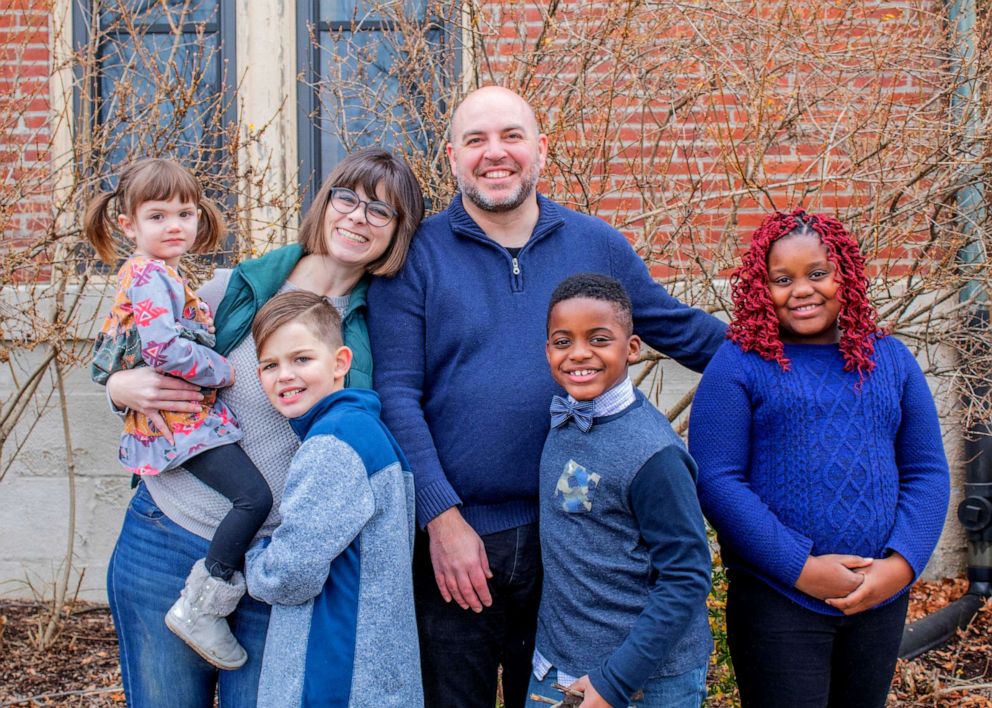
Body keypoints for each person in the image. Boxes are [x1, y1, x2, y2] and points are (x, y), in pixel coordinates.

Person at [367, 86, 727, 708]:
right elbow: (396, 394)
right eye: (476, 140)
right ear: (452, 157)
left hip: (575, 543)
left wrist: (803, 355)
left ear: (541, 149)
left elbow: (680, 330)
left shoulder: (596, 245)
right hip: (459, 546)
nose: (495, 153)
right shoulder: (414, 255)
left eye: (511, 136)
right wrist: (440, 518)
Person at [103, 148, 424, 706]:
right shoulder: (236, 288)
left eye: (381, 211)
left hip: (270, 565)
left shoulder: (382, 330)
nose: (357, 217)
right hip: (165, 536)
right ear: (325, 204)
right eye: (347, 198)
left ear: (398, 233)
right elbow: (138, 345)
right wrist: (117, 387)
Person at [688, 210, 950, 708]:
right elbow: (718, 481)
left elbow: (927, 473)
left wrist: (898, 568)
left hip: (878, 600)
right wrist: (801, 567)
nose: (801, 290)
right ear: (761, 289)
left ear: (844, 276)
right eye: (782, 279)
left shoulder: (890, 360)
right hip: (777, 600)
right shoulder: (738, 364)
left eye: (817, 274)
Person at [86, 157, 272, 670]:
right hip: (181, 424)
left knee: (250, 497)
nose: (175, 226)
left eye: (185, 214)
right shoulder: (148, 276)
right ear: (128, 225)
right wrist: (224, 370)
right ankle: (202, 604)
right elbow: (164, 350)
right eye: (158, 216)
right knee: (253, 498)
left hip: (184, 419)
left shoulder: (164, 274)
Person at [525, 274, 711, 708]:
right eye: (562, 341)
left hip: (642, 682)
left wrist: (616, 681)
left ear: (632, 349)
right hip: (556, 664)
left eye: (599, 338)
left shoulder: (654, 454)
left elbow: (686, 576)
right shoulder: (567, 417)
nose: (579, 354)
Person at [245, 291, 421, 707]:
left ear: (341, 362)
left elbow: (292, 574)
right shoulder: (362, 428)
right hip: (368, 667)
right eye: (271, 365)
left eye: (301, 359)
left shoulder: (332, 444)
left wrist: (252, 559)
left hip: (331, 675)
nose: (285, 375)